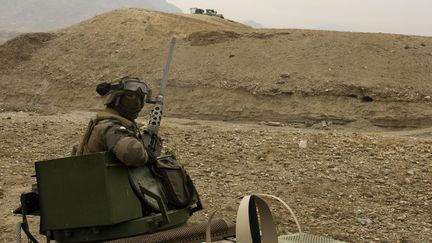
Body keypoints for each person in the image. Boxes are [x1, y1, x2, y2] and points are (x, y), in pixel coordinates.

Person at [75, 77, 149, 166]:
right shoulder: (109, 125)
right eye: (130, 96)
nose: (137, 102)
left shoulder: (116, 122)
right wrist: (148, 154)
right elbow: (134, 156)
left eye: (139, 97)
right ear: (115, 98)